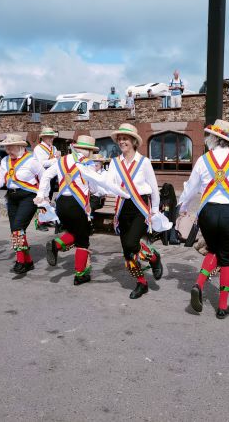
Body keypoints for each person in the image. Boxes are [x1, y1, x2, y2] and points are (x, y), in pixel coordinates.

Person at [178, 119, 229, 319]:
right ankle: (222, 306)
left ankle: (198, 284)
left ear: (214, 138)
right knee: (228, 258)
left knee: (213, 249)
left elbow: (191, 187)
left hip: (207, 212)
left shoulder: (203, 160)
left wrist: (183, 207)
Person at [106, 123, 163, 299]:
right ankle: (142, 283)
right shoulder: (115, 163)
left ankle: (153, 257)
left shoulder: (144, 162)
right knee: (128, 252)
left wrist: (154, 210)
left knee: (132, 243)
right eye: (120, 139)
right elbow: (109, 183)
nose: (122, 141)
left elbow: (153, 187)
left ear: (133, 141)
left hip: (140, 207)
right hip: (123, 207)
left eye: (125, 138)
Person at [36, 136, 100, 286]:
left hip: (61, 204)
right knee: (83, 239)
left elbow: (46, 176)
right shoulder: (87, 164)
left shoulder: (61, 161)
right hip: (76, 205)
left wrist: (41, 195)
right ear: (89, 151)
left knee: (75, 233)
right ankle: (80, 274)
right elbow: (95, 189)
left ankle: (56, 245)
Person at [0, 134, 44, 279]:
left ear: (20, 147)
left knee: (18, 227)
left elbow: (45, 178)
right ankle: (28, 261)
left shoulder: (31, 160)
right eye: (6, 148)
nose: (8, 151)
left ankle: (20, 262)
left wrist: (42, 195)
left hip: (28, 197)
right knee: (15, 230)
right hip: (12, 197)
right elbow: (0, 178)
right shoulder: (5, 161)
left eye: (10, 147)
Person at [33, 126, 60, 230]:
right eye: (49, 137)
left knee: (48, 197)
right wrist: (55, 159)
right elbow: (42, 163)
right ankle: (40, 222)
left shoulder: (54, 148)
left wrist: (57, 159)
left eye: (52, 137)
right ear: (43, 137)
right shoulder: (38, 148)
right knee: (42, 197)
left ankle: (47, 219)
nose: (51, 139)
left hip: (51, 176)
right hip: (41, 176)